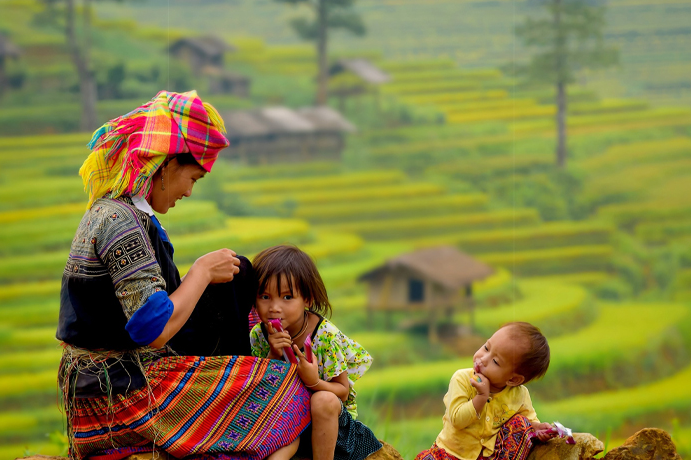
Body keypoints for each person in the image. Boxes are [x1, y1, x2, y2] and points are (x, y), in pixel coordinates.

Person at [56, 90, 310, 460]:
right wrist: (203, 271)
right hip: (122, 393)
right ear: (165, 165)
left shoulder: (127, 214)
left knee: (238, 274)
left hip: (123, 377)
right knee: (288, 395)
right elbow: (152, 330)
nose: (189, 191)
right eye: (191, 177)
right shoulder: (119, 222)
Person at [249, 245, 383, 460]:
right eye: (265, 296)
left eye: (287, 297)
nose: (274, 307)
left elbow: (342, 391)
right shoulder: (259, 334)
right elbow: (259, 387)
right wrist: (273, 356)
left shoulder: (325, 336)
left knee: (322, 400)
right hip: (289, 414)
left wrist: (314, 382)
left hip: (330, 420)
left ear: (308, 300)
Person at [415, 322, 554, 460]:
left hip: (491, 455)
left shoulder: (519, 395)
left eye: (495, 362)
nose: (483, 359)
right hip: (450, 454)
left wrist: (536, 427)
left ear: (513, 380)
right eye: (486, 348)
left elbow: (529, 420)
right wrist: (481, 397)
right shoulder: (462, 379)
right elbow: (457, 420)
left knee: (522, 424)